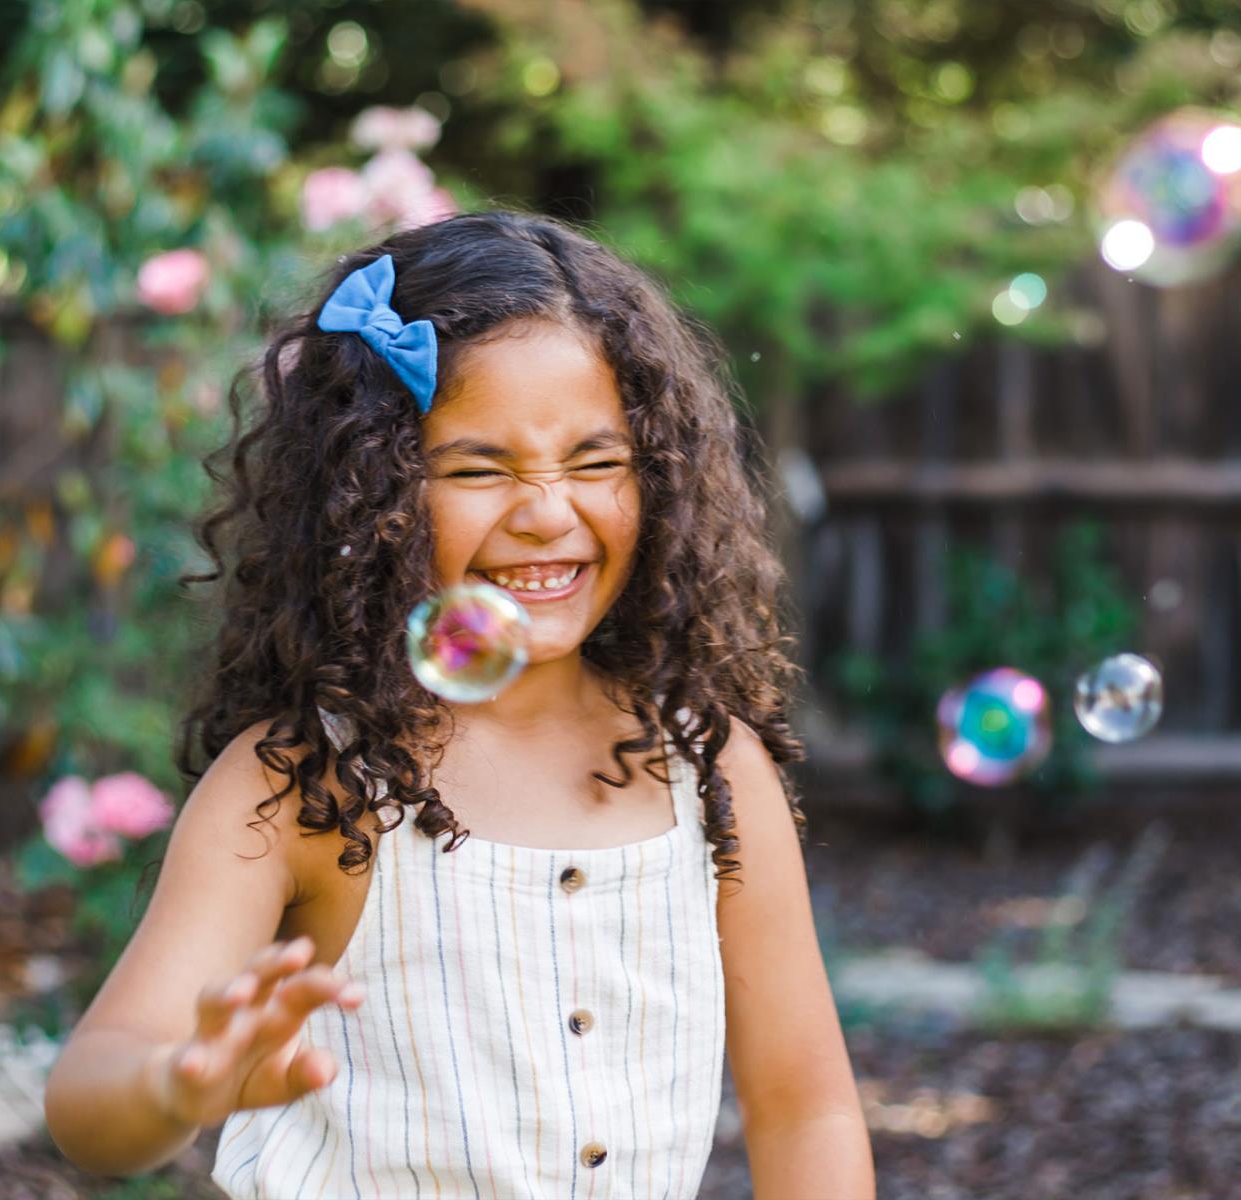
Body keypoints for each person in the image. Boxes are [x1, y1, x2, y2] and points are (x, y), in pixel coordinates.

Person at [43, 209, 875, 1199]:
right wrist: (174, 1086)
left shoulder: (706, 768)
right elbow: (92, 1099)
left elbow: (806, 1111)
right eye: (480, 468)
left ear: (659, 479)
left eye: (597, 461)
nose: (546, 512)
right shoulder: (302, 785)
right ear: (372, 489)